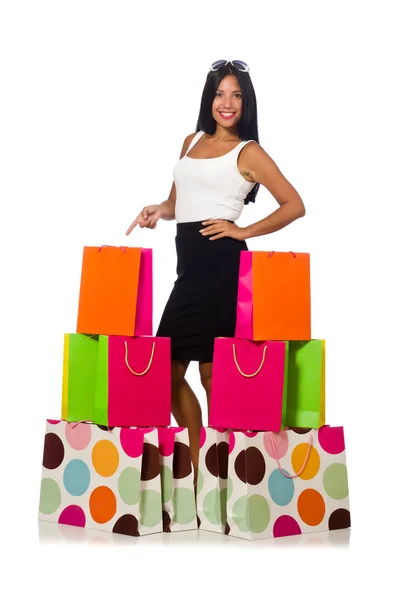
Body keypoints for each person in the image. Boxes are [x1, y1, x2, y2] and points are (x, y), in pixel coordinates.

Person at [126, 59, 306, 482]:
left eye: (237, 95)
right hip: (188, 270)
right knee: (165, 372)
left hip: (223, 269)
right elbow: (179, 202)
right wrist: (158, 211)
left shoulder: (250, 151)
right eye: (220, 94)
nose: (228, 103)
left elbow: (294, 205)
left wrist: (242, 228)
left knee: (211, 373)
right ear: (209, 98)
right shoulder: (190, 141)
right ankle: (200, 460)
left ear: (246, 103)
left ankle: (220, 474)